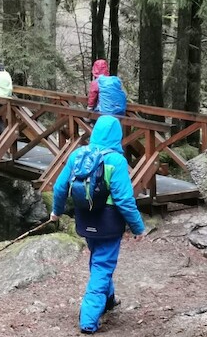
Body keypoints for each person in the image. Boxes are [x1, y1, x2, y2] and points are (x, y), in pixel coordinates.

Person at [51, 116, 145, 334]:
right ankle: (88, 319)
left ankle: (108, 300)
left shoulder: (78, 155)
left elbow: (59, 187)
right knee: (102, 265)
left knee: (99, 259)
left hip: (85, 219)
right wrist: (138, 227)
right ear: (117, 136)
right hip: (108, 222)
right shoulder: (116, 161)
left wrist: (56, 211)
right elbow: (124, 199)